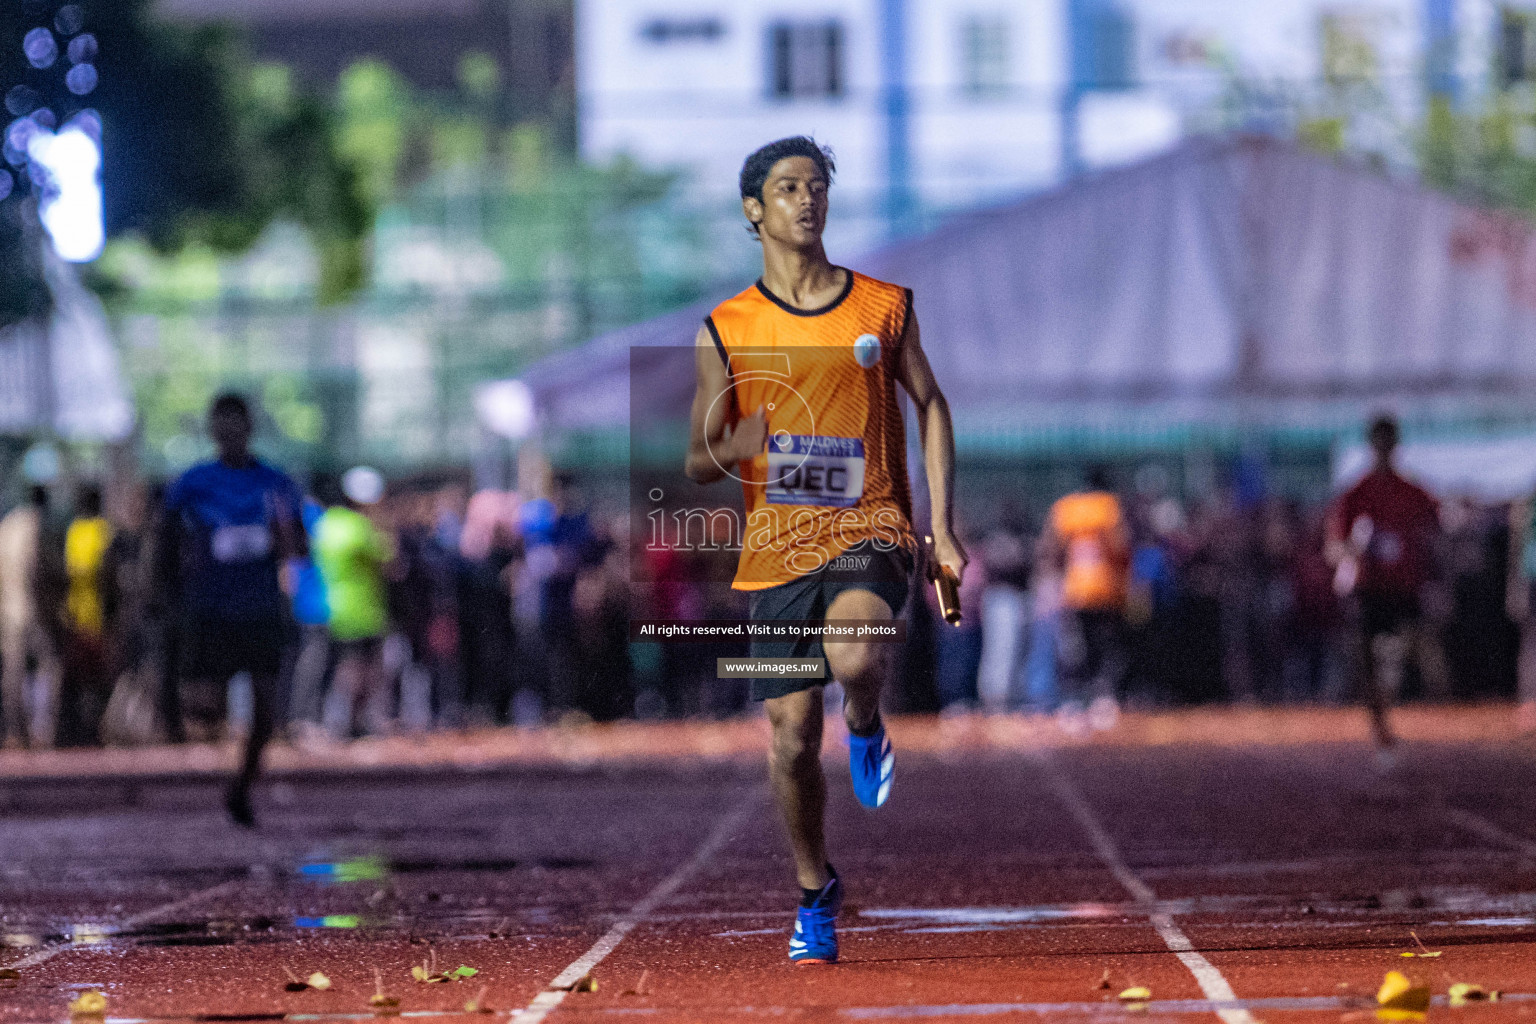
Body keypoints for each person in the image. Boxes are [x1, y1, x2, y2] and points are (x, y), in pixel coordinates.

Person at [684, 136, 965, 965]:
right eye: (787, 188)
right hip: (776, 550)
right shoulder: (726, 327)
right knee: (789, 740)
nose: (807, 200)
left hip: (868, 526)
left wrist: (941, 528)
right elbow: (699, 459)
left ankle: (869, 721)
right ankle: (815, 893)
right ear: (753, 209)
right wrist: (739, 439)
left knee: (855, 654)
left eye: (817, 187)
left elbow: (933, 405)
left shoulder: (882, 307)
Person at [160, 393, 305, 826]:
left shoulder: (276, 484)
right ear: (211, 430)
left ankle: (241, 786)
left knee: (266, 706)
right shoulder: (192, 483)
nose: (228, 431)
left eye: (235, 423)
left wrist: (285, 539)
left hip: (260, 609)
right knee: (204, 709)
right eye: (219, 423)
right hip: (209, 608)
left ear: (249, 427)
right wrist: (165, 592)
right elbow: (164, 541)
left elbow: (298, 547)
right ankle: (215, 738)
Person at [1326, 414, 1441, 752]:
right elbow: (1334, 548)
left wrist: (1435, 581)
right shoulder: (1355, 495)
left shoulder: (1414, 493)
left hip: (1405, 588)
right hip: (1368, 588)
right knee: (1368, 660)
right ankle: (1380, 725)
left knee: (1408, 653)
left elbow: (1434, 537)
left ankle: (1396, 709)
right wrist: (1355, 549)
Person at [1038, 467, 1131, 732]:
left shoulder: (1067, 508)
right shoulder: (1109, 506)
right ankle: (1102, 701)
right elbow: (1121, 546)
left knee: (1078, 650)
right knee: (1106, 648)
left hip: (1076, 590)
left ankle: (1076, 704)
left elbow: (1050, 548)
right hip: (1106, 590)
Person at [313, 467, 394, 739]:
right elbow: (390, 561)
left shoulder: (327, 523)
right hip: (361, 609)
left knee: (345, 666)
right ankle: (347, 724)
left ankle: (342, 723)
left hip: (332, 606)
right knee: (361, 670)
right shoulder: (359, 527)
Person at [57, 484, 114, 746]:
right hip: (95, 618)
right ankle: (92, 730)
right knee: (96, 679)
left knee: (81, 679)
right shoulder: (104, 531)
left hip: (77, 615)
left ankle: (82, 731)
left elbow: (69, 572)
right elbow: (107, 575)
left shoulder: (75, 531)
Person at [0, 485, 53, 747]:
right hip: (36, 610)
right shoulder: (39, 525)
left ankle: (14, 732)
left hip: (10, 611)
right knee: (48, 667)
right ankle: (41, 729)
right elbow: (36, 570)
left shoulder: (8, 526)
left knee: (13, 674)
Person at [1507, 495, 1536, 733]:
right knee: (1532, 644)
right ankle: (1529, 706)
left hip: (1529, 578)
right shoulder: (1529, 499)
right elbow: (1518, 544)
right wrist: (1515, 589)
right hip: (1532, 578)